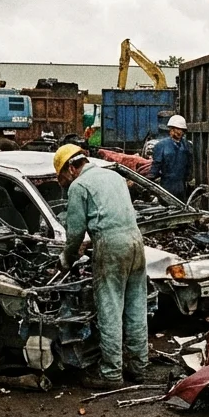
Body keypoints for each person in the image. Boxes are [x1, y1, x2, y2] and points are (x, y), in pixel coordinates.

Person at [55, 143, 149, 390]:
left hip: (111, 247)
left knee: (110, 308)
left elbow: (74, 232)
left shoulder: (79, 186)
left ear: (70, 168)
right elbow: (112, 216)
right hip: (135, 242)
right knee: (136, 306)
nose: (62, 183)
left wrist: (66, 259)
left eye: (61, 177)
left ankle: (111, 373)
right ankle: (139, 367)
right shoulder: (114, 176)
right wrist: (92, 240)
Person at [149, 115, 193, 200]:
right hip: (167, 186)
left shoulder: (187, 146)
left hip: (181, 187)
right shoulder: (161, 146)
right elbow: (155, 166)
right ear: (171, 129)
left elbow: (189, 165)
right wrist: (149, 179)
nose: (179, 132)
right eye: (177, 129)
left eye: (181, 130)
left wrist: (189, 178)